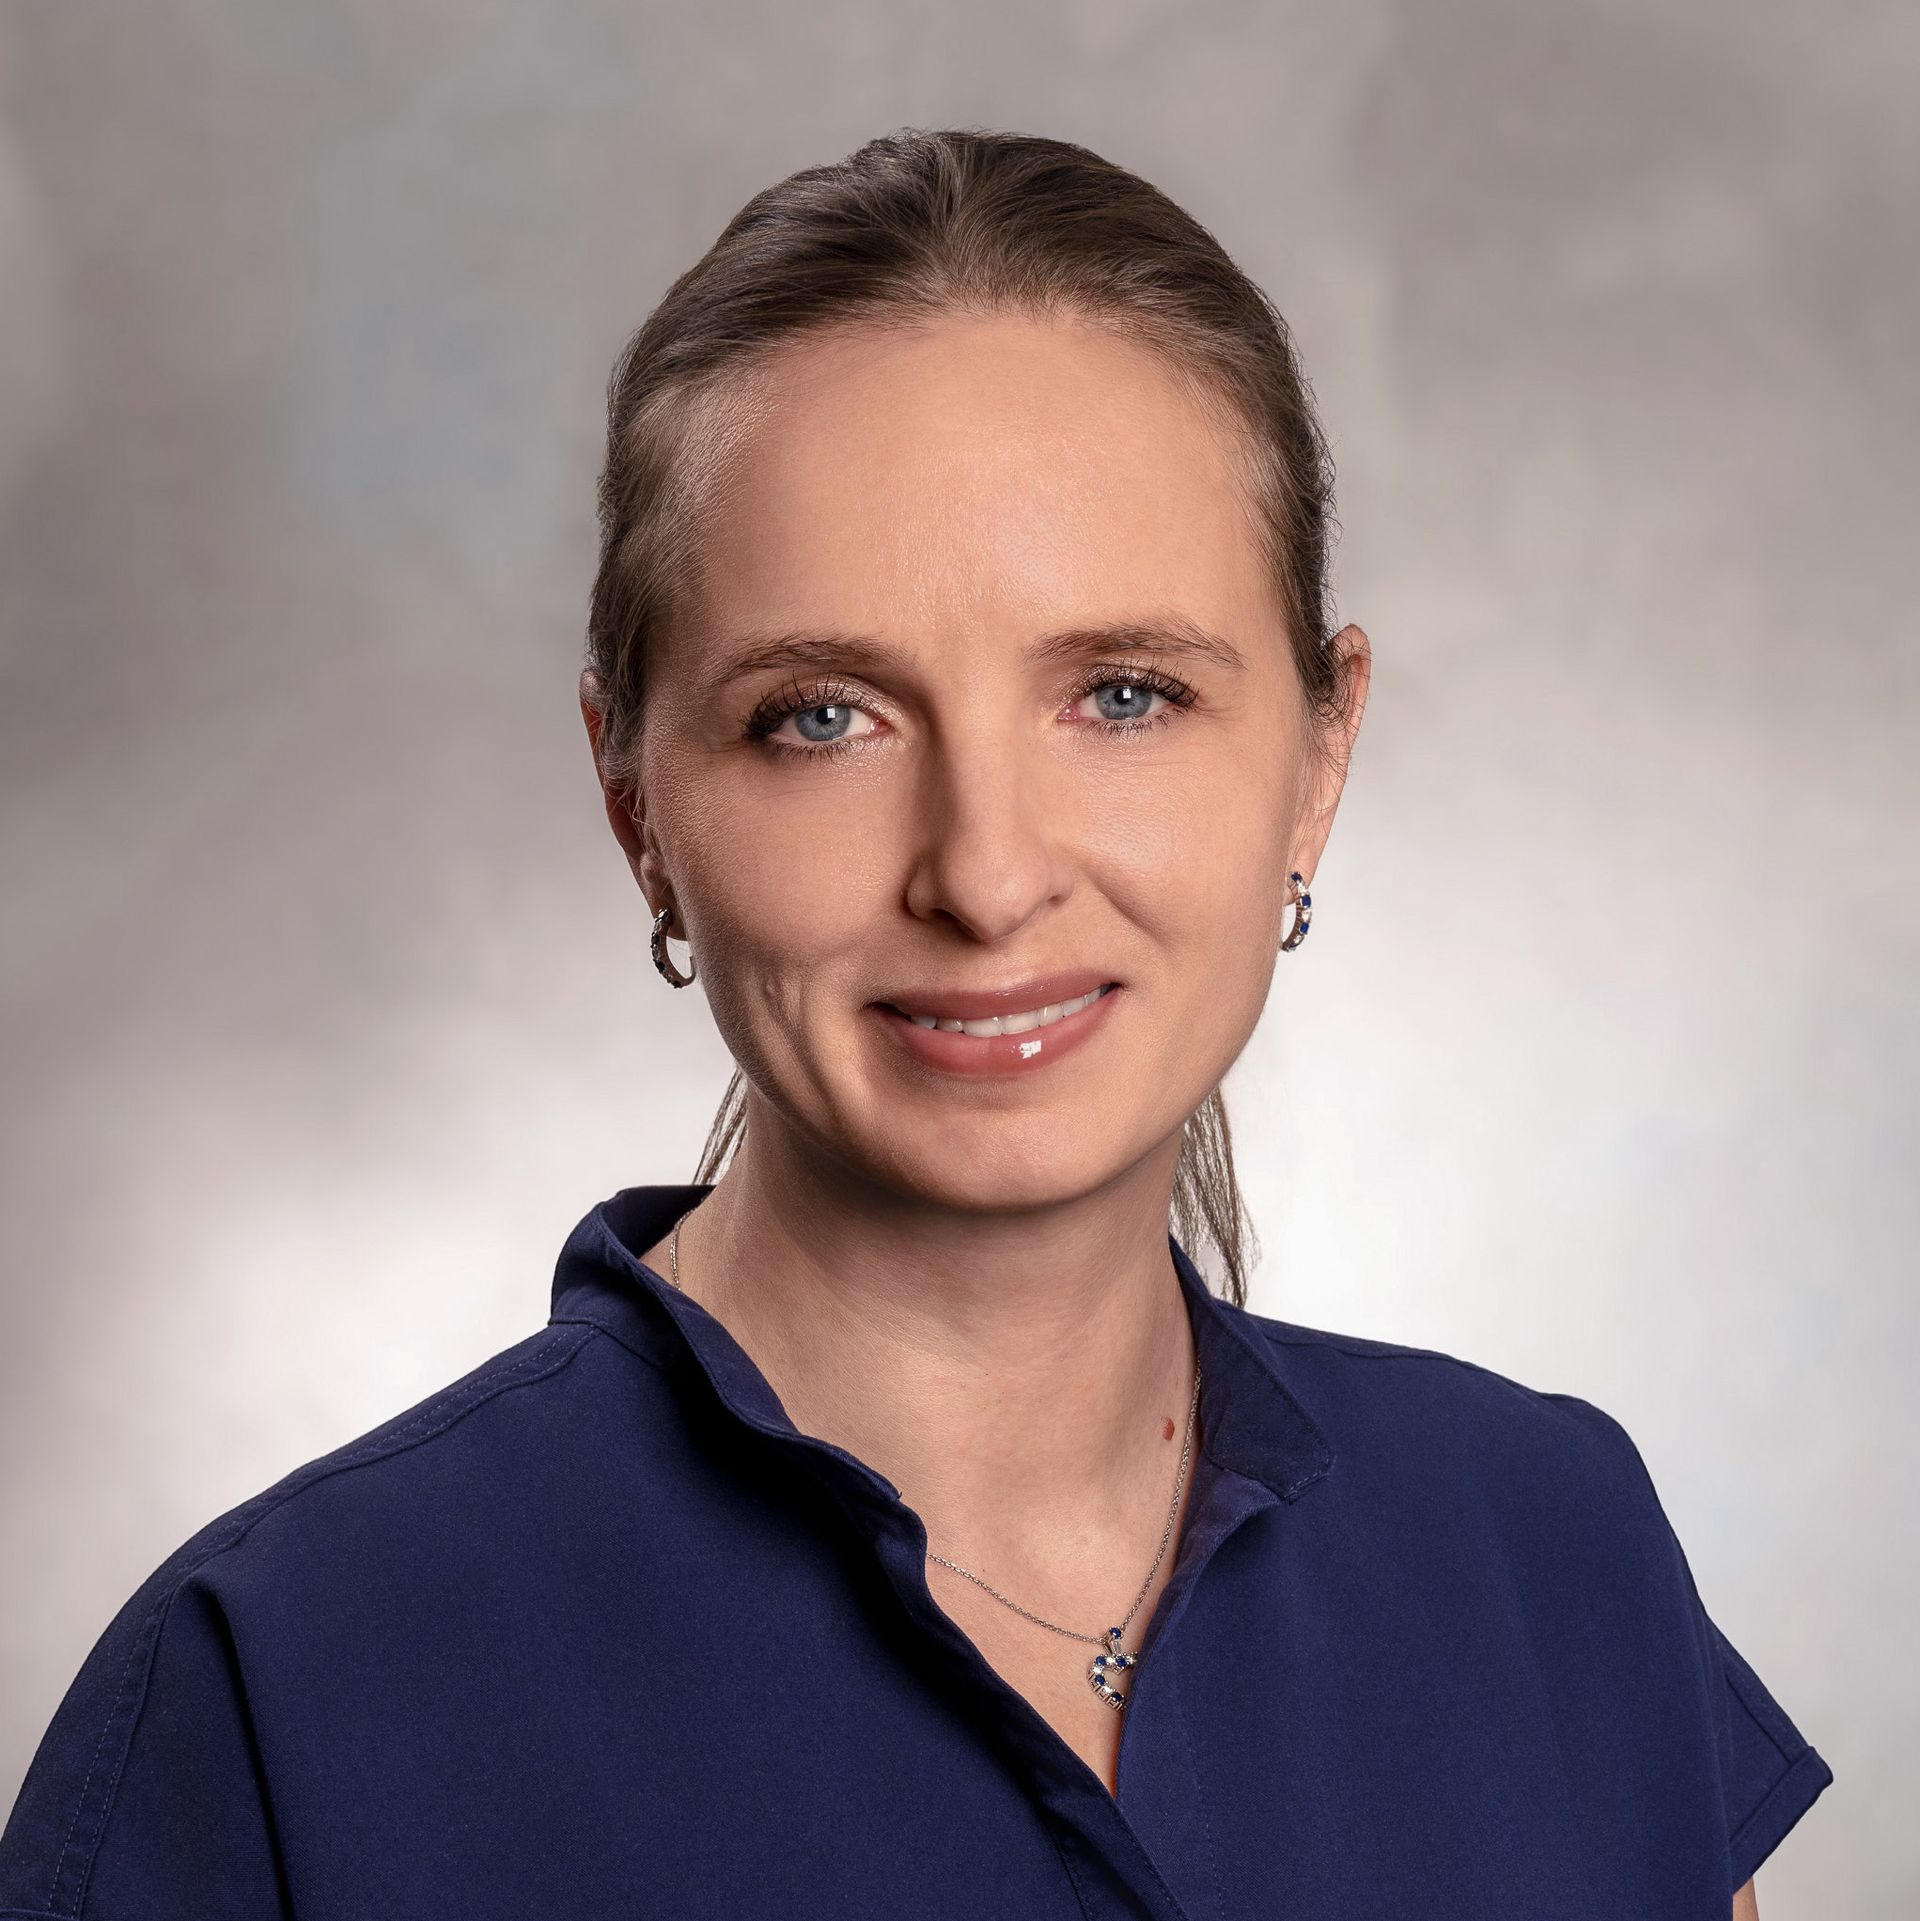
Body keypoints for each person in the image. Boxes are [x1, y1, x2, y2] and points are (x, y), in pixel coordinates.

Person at [0, 127, 1831, 1921]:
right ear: (637, 798)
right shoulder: (276, 1696)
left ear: (1318, 757)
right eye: (822, 717)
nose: (986, 870)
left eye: (1123, 693)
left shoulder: (1555, 1549)